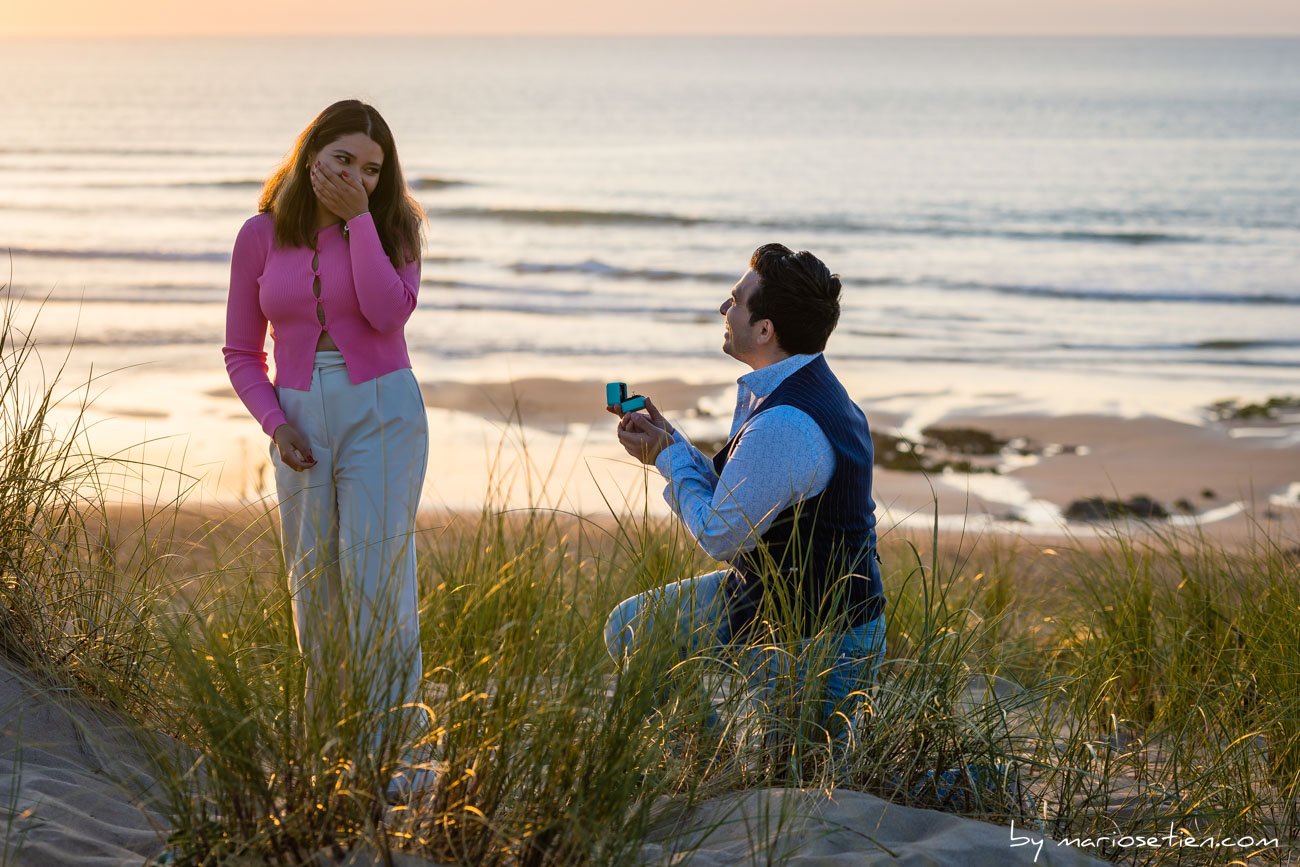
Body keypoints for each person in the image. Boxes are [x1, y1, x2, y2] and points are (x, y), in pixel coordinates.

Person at [223, 99, 432, 799]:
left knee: (378, 586)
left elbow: (385, 311)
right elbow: (241, 350)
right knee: (316, 593)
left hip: (384, 412)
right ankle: (328, 757)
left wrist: (361, 222)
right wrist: (274, 421)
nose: (356, 177)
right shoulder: (258, 235)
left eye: (372, 170)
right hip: (300, 417)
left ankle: (393, 768)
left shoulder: (395, 227)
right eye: (343, 160)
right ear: (311, 152)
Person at [605, 243, 886, 741]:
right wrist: (670, 445)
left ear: (764, 329)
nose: (723, 308)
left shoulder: (785, 423)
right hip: (771, 601)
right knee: (635, 626)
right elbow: (743, 495)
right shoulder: (799, 389)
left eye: (735, 299)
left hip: (819, 634)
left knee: (791, 778)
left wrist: (664, 460)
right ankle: (707, 754)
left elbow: (720, 534)